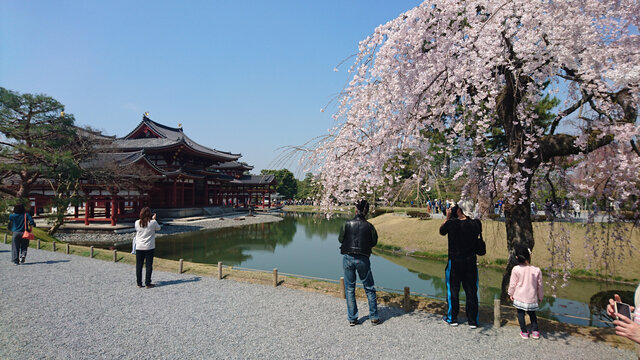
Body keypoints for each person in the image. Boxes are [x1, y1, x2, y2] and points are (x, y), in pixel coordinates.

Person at [439, 200, 482, 328]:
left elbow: (442, 231)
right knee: (471, 291)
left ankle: (452, 318)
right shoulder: (476, 224)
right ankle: (472, 320)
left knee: (453, 289)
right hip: (470, 262)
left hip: (455, 261)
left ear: (459, 210)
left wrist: (447, 217)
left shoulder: (452, 224)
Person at [338, 199, 379, 326]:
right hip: (363, 258)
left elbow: (340, 239)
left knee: (350, 289)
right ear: (366, 212)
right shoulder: (370, 226)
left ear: (356, 210)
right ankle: (374, 317)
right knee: (369, 288)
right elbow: (374, 241)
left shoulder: (347, 224)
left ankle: (352, 318)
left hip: (348, 257)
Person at [508, 245, 544, 339]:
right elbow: (540, 285)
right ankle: (535, 331)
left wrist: (511, 293)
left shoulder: (516, 269)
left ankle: (524, 332)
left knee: (520, 314)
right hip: (531, 297)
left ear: (517, 258)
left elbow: (512, 284)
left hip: (519, 296)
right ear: (529, 256)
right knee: (532, 314)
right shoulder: (537, 270)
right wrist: (540, 296)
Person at [134, 207, 161, 288]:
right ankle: (147, 282)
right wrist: (154, 219)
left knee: (139, 265)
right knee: (148, 265)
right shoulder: (153, 223)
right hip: (149, 247)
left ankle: (139, 283)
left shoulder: (137, 222)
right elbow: (158, 228)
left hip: (139, 246)